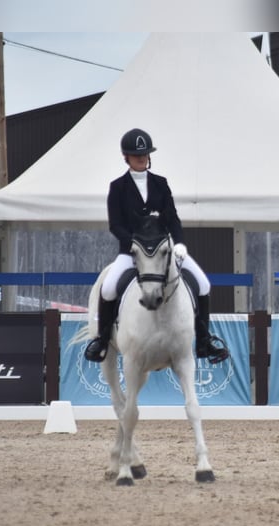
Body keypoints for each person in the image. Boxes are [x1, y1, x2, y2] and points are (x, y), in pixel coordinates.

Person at [84, 128, 229, 364]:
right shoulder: (118, 187)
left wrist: (179, 242)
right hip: (131, 251)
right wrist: (133, 243)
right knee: (109, 287)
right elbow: (116, 224)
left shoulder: (160, 183)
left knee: (202, 283)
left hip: (163, 250)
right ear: (126, 157)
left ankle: (204, 339)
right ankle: (102, 339)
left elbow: (172, 217)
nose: (141, 158)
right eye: (136, 155)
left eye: (144, 154)